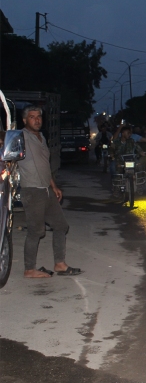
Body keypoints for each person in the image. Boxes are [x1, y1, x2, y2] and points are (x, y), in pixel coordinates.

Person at [16, 106, 82, 278]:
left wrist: (54, 186)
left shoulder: (42, 137)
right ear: (24, 120)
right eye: (32, 117)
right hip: (32, 190)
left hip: (46, 190)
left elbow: (45, 166)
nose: (37, 120)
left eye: (39, 117)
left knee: (61, 226)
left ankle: (60, 264)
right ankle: (29, 269)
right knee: (36, 231)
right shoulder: (20, 136)